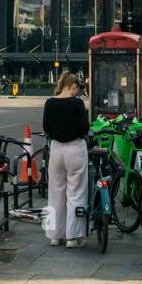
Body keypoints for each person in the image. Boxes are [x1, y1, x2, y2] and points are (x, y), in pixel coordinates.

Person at [42, 71, 90, 248]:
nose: (77, 93)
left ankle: (54, 235)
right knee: (76, 192)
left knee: (55, 193)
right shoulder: (77, 104)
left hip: (56, 149)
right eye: (77, 89)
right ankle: (73, 237)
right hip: (75, 149)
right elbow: (84, 129)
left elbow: (46, 127)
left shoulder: (49, 103)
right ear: (73, 87)